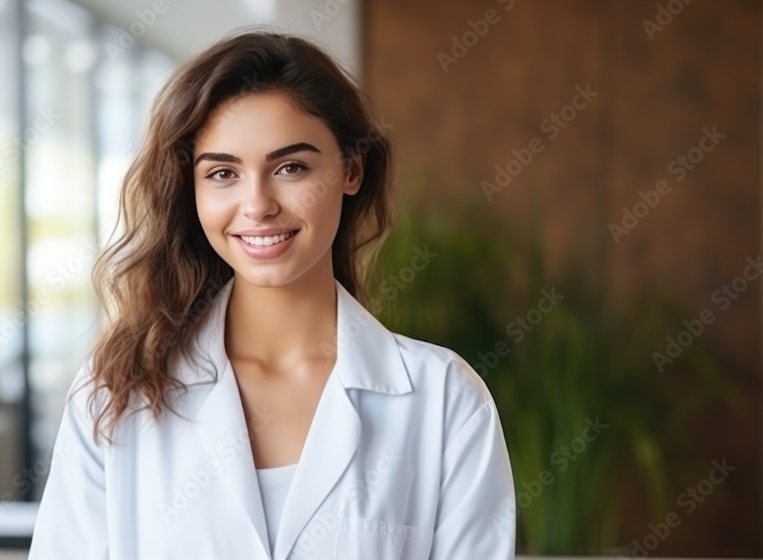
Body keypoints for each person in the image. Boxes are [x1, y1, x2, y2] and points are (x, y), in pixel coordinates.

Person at [28, 27, 515, 560]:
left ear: (351, 169)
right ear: (191, 189)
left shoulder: (445, 401)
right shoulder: (116, 393)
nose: (257, 205)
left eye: (290, 167)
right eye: (222, 173)